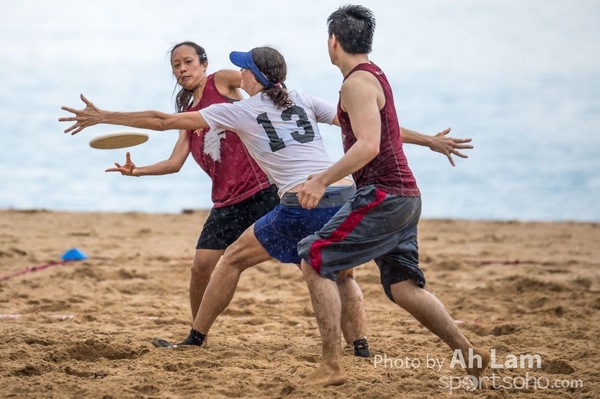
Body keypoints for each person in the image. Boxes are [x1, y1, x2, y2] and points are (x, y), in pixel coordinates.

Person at [59, 46, 475, 360]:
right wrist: (431, 141)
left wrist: (105, 115)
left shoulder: (237, 111)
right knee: (342, 275)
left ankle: (195, 338)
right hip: (346, 194)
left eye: (244, 67)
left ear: (254, 77)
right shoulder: (304, 99)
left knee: (234, 259)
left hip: (303, 201)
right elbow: (381, 127)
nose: (238, 71)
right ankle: (360, 347)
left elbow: (164, 121)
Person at [294, 4, 491, 387]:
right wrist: (429, 140)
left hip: (383, 195)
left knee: (314, 259)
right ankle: (470, 353)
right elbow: (384, 129)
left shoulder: (355, 83)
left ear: (333, 42)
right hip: (405, 197)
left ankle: (332, 365)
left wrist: (321, 180)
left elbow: (367, 145)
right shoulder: (373, 75)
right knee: (403, 287)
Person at [104, 41, 280, 332]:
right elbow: (174, 163)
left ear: (204, 64)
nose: (182, 69)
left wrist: (275, 116)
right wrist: (138, 171)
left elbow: (261, 83)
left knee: (305, 258)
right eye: (176, 65)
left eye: (188, 62)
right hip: (227, 203)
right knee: (200, 269)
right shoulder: (188, 115)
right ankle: (198, 335)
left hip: (264, 191)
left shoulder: (221, 81)